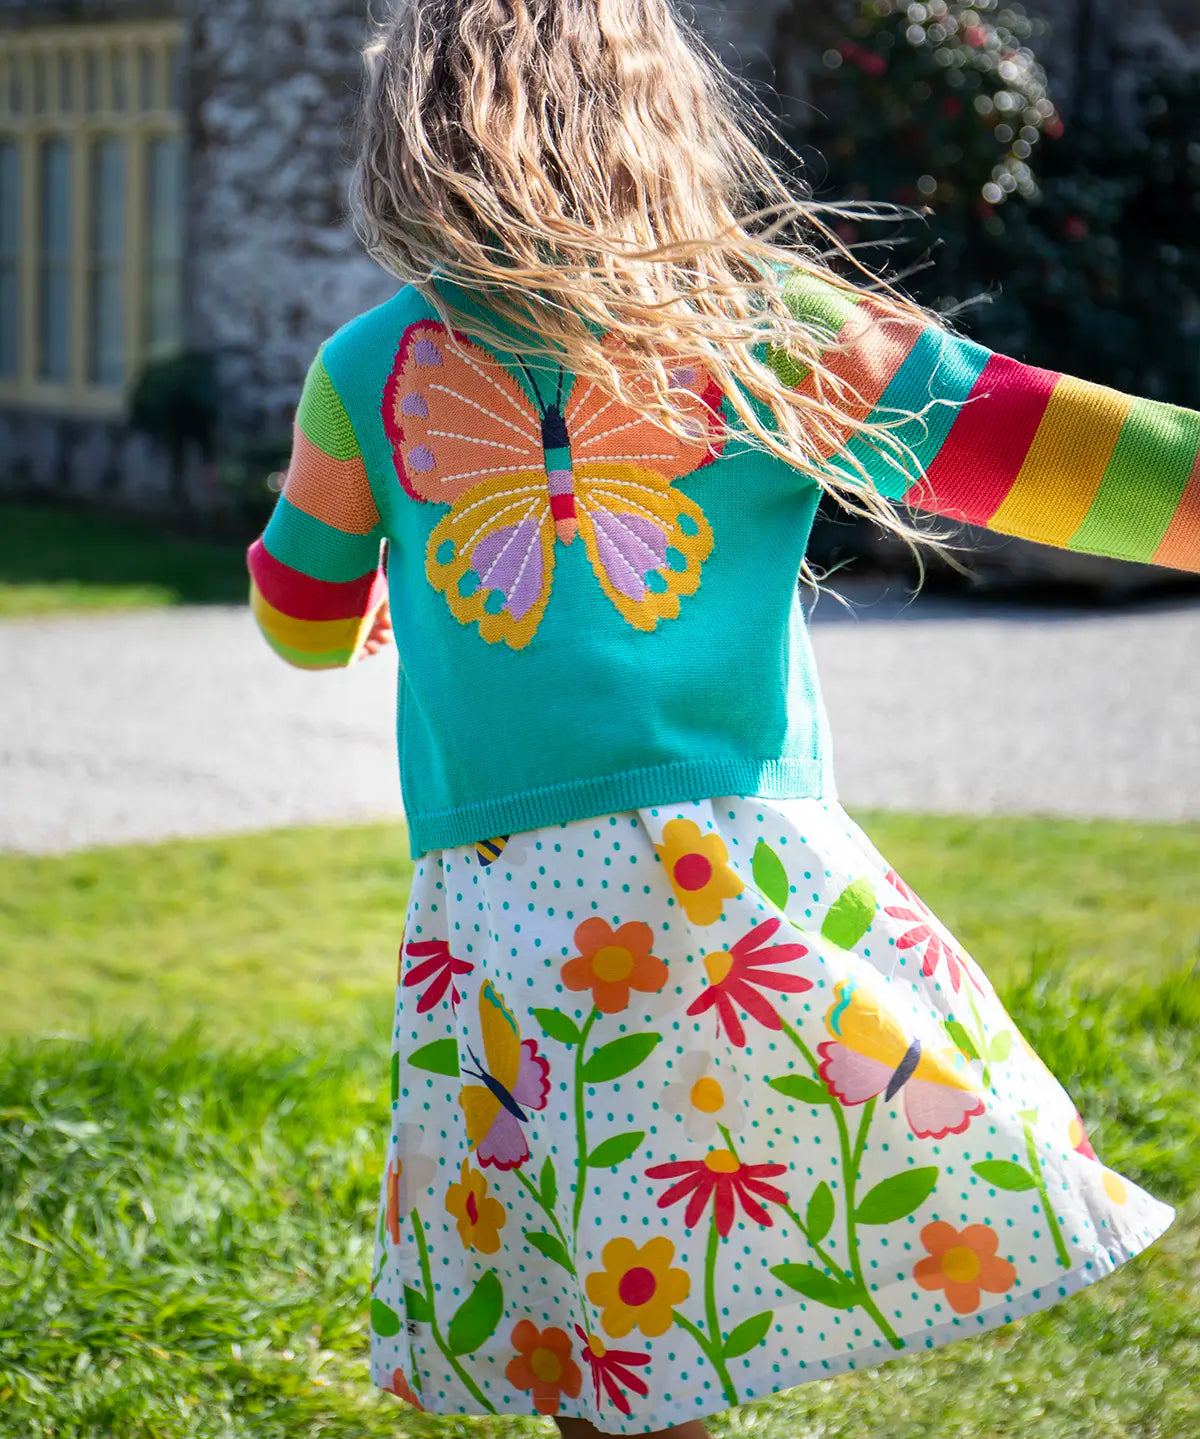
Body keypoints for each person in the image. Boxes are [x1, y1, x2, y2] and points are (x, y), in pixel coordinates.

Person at [245, 2, 1198, 1435]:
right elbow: (1092, 464)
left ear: (411, 135)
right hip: (739, 894)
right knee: (724, 1245)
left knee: (602, 1309)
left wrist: (365, 579)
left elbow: (301, 618)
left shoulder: (369, 373)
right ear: (660, 114)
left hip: (508, 921)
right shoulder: (766, 325)